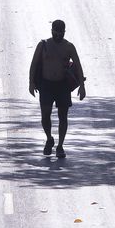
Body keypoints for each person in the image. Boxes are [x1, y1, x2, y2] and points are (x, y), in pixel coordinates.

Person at [28, 20, 87, 159]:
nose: (58, 34)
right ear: (52, 30)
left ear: (64, 32)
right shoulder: (43, 45)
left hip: (62, 86)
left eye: (61, 32)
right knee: (45, 116)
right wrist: (31, 83)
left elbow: (78, 66)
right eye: (56, 31)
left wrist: (82, 86)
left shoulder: (69, 47)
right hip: (46, 85)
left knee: (63, 117)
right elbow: (34, 64)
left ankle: (60, 145)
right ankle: (49, 138)